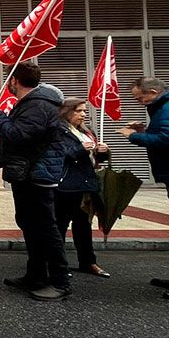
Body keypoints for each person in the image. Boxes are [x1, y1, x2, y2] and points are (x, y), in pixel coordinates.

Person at [0, 62, 70, 301]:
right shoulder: (36, 103)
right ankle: (35, 275)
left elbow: (19, 135)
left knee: (45, 227)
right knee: (30, 224)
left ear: (14, 80)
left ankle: (59, 281)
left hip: (37, 173)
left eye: (8, 80)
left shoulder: (37, 105)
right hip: (29, 172)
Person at [120, 77, 169, 302]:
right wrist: (146, 129)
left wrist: (135, 136)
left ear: (153, 91)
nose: (140, 102)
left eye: (140, 98)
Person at [55, 97, 111, 279]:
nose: (83, 115)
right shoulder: (58, 130)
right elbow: (59, 154)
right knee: (60, 226)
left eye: (84, 111)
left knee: (84, 226)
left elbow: (94, 160)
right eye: (78, 111)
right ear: (67, 112)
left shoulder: (87, 131)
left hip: (86, 185)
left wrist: (103, 152)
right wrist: (80, 149)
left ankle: (88, 261)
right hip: (66, 185)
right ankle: (57, 264)